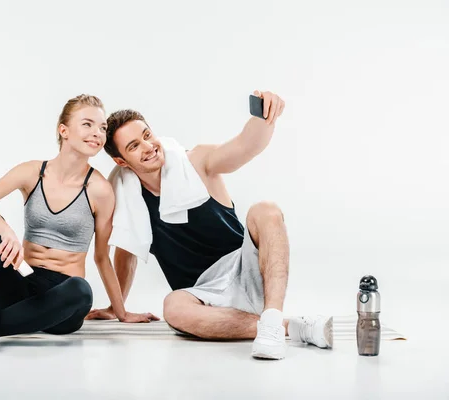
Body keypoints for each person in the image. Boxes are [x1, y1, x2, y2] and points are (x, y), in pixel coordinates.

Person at [0, 94, 158, 361]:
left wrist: (121, 311)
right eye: (88, 124)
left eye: (102, 128)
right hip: (18, 286)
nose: (97, 133)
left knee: (81, 290)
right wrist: (7, 232)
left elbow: (102, 257)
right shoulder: (32, 172)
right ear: (64, 130)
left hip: (61, 301)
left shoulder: (100, 190)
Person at [86, 90, 332, 360]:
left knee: (267, 210)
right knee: (173, 308)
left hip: (246, 267)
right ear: (121, 161)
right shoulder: (127, 198)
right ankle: (287, 327)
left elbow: (244, 146)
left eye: (147, 135)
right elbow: (127, 252)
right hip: (201, 295)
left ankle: (272, 316)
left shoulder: (196, 161)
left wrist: (264, 115)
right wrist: (116, 305)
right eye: (133, 146)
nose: (148, 147)